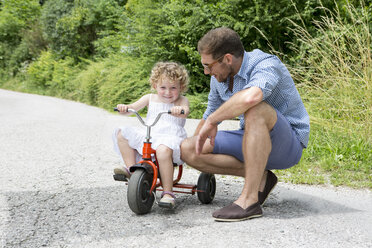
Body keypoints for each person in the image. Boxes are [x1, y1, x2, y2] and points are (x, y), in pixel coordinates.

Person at [181, 27, 310, 222]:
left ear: (227, 59)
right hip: (252, 141)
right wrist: (185, 152)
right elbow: (209, 113)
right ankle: (262, 178)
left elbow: (252, 97)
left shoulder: (265, 63)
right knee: (188, 148)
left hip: (287, 144)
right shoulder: (219, 78)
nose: (207, 72)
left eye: (209, 66)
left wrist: (214, 120)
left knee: (255, 108)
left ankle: (249, 202)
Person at [113, 61, 190, 209]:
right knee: (122, 134)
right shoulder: (150, 98)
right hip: (151, 133)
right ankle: (132, 169)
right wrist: (125, 108)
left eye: (173, 88)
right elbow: (132, 108)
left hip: (170, 137)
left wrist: (180, 110)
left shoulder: (181, 100)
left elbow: (185, 111)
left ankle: (168, 192)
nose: (168, 92)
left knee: (163, 150)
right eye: (163, 88)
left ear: (181, 87)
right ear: (155, 86)